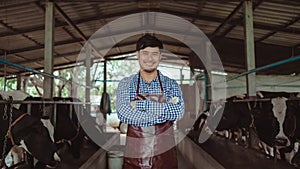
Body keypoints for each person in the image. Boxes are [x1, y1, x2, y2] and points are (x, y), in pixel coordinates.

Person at [116, 34, 185, 169]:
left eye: (154, 53)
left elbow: (178, 112)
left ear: (160, 56)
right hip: (135, 160)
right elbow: (124, 114)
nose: (149, 58)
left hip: (165, 160)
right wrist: (164, 111)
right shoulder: (126, 84)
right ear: (138, 55)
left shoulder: (171, 84)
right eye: (145, 53)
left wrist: (143, 105)